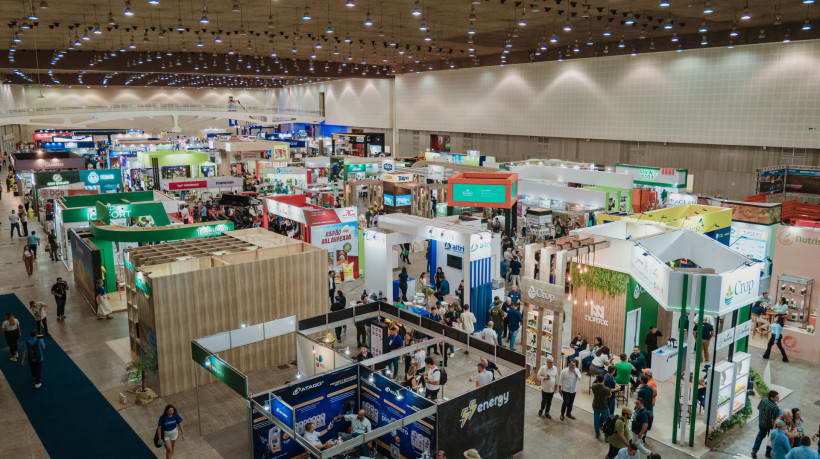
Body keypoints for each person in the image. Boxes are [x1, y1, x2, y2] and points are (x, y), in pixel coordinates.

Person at [752, 390, 781, 459]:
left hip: (761, 422)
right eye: (777, 397)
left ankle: (754, 451)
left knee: (760, 436)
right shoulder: (775, 408)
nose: (778, 398)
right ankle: (768, 454)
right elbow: (774, 420)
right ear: (772, 398)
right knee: (770, 439)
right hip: (769, 426)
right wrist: (775, 428)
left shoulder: (763, 400)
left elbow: (758, 408)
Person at [591, 375, 612, 439]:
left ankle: (597, 433)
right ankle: (607, 436)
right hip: (603, 406)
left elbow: (594, 383)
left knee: (596, 420)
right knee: (607, 421)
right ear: (604, 380)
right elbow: (610, 395)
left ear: (597, 379)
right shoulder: (606, 389)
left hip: (595, 404)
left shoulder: (594, 386)